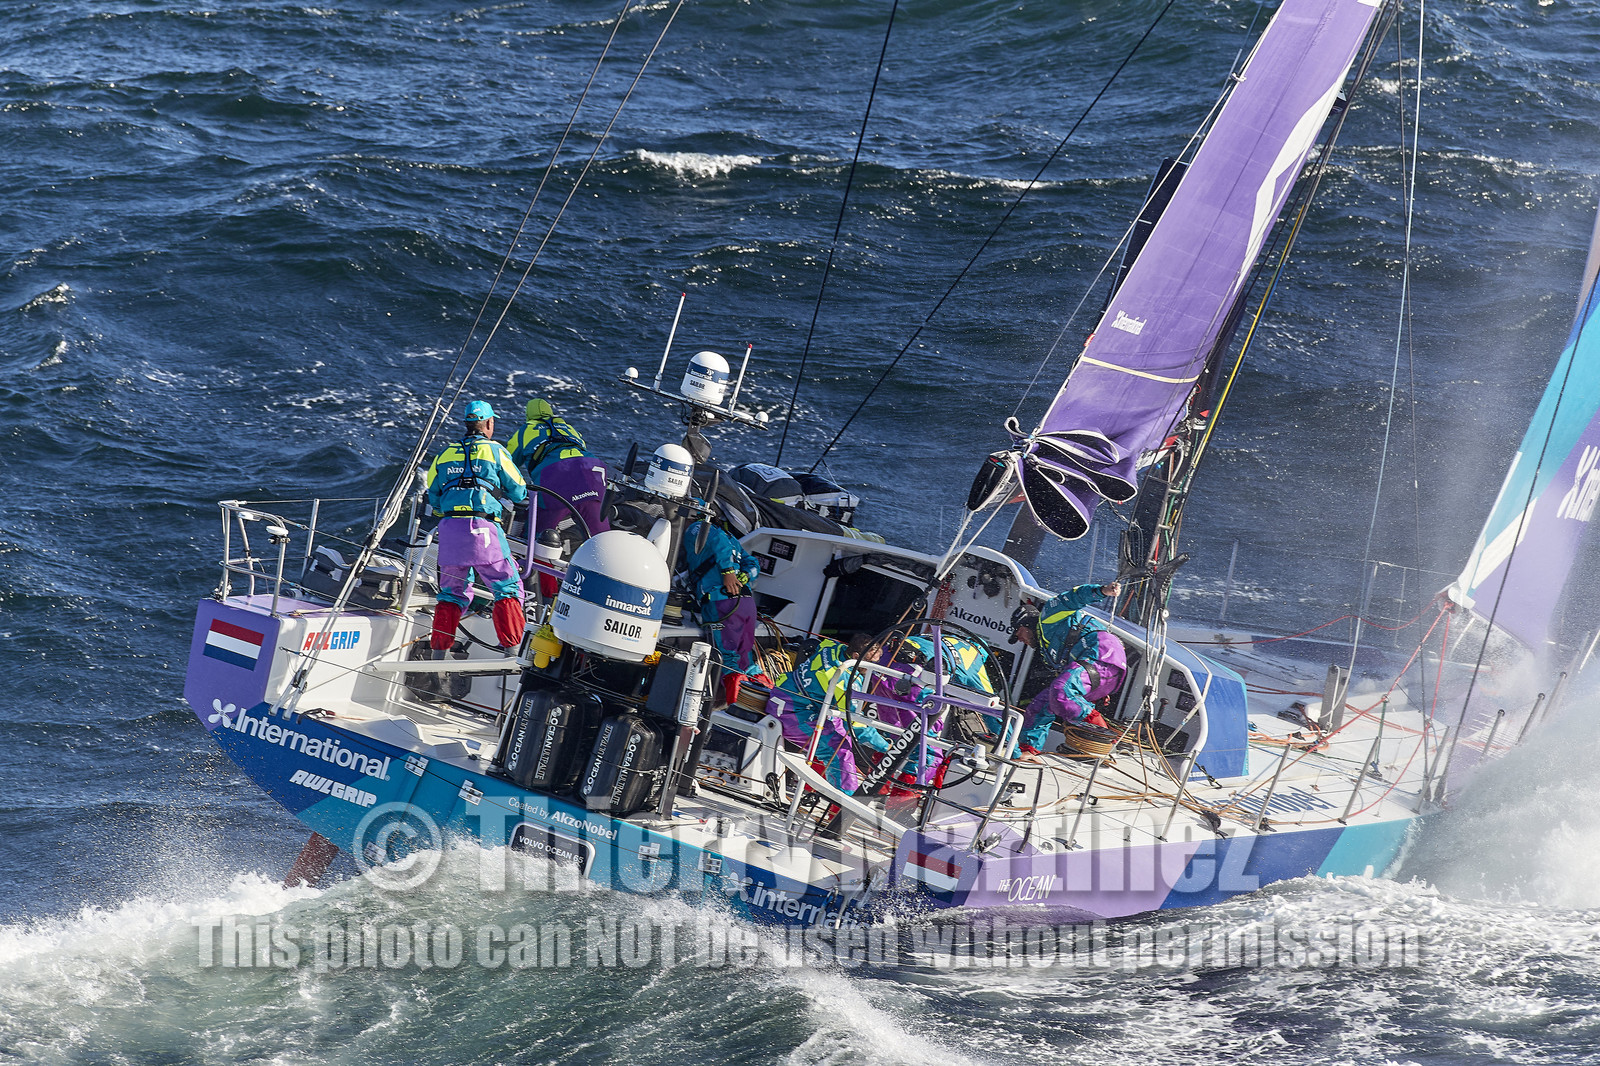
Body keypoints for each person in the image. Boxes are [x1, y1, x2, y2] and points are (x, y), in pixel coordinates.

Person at [425, 400, 529, 653]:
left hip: (449, 529)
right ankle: (512, 653)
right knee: (507, 586)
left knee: (450, 593)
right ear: (490, 423)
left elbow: (434, 497)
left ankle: (438, 654)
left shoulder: (445, 453)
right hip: (482, 527)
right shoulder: (495, 451)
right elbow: (518, 490)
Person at [1009, 580, 1126, 757]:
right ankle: (1027, 751)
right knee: (1040, 705)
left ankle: (1104, 742)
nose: (1019, 639)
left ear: (1026, 625)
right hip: (1092, 669)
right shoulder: (1047, 650)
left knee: (1060, 690)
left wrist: (1102, 591)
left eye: (1018, 633)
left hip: (1102, 652)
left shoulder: (1048, 615)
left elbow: (1073, 597)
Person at [774, 634, 891, 792]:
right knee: (838, 751)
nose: (873, 668)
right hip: (793, 711)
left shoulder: (832, 646)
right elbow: (854, 724)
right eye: (871, 663)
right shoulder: (841, 681)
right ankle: (842, 809)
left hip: (793, 695)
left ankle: (822, 791)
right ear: (856, 657)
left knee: (842, 738)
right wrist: (887, 747)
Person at [506, 397, 608, 541]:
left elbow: (507, 463)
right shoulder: (570, 428)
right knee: (601, 537)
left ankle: (528, 559)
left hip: (555, 474)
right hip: (591, 470)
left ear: (528, 415)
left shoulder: (526, 429)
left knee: (536, 535)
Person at [683, 518, 764, 683]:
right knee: (745, 659)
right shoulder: (731, 538)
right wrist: (746, 575)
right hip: (746, 603)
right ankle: (751, 695)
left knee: (725, 659)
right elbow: (754, 563)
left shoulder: (697, 527)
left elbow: (717, 539)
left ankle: (725, 702)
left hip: (722, 603)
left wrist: (728, 572)